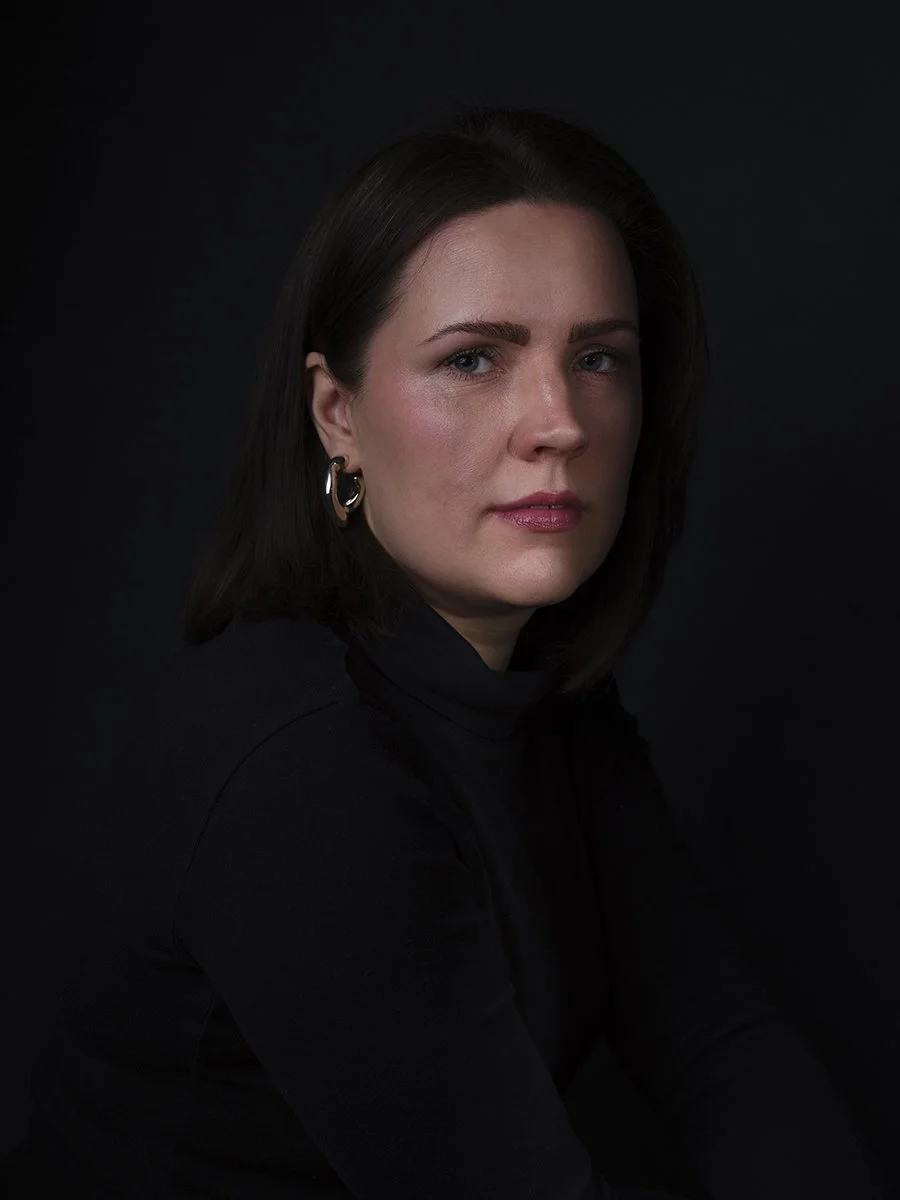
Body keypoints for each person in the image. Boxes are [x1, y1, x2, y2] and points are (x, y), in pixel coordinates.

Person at [3, 104, 891, 1199]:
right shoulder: (300, 767)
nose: (558, 420)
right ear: (336, 411)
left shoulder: (550, 712)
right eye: (473, 359)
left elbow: (729, 1057)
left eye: (599, 357)